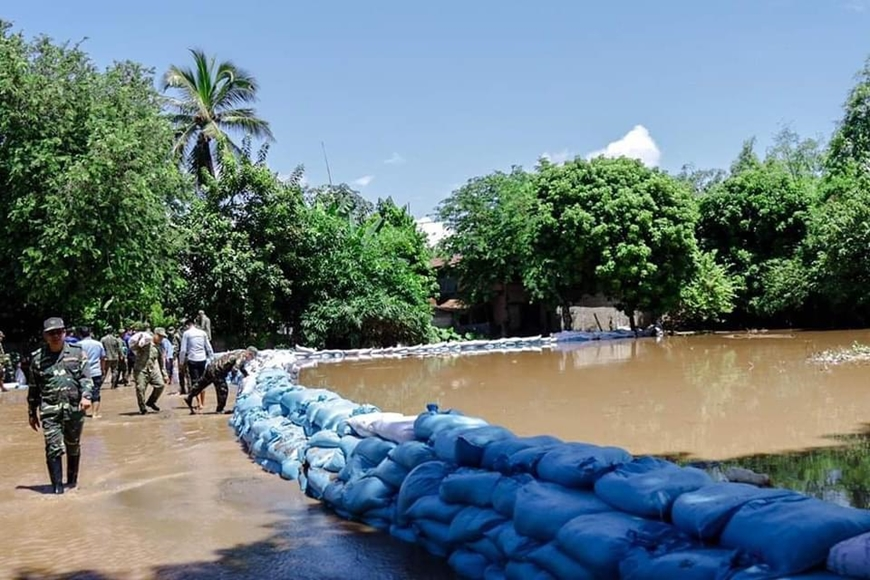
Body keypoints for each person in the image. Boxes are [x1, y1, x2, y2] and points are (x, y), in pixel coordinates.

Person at [27, 317, 93, 494]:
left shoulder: (77, 353)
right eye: (51, 333)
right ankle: (57, 489)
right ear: (45, 336)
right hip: (50, 410)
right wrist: (31, 413)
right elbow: (33, 388)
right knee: (53, 447)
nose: (55, 336)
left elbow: (86, 378)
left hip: (74, 408)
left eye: (59, 332)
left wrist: (86, 396)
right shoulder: (38, 359)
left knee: (73, 445)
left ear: (64, 333)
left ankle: (72, 483)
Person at [185, 347, 257, 415]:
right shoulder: (243, 356)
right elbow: (235, 368)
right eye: (251, 358)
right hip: (218, 371)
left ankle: (189, 397)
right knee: (223, 390)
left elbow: (240, 367)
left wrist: (246, 374)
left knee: (201, 384)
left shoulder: (239, 352)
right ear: (249, 354)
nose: (250, 360)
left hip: (211, 367)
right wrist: (233, 378)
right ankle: (220, 409)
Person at [130, 326, 169, 415]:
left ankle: (151, 402)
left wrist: (165, 374)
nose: (161, 339)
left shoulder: (159, 347)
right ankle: (142, 408)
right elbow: (134, 347)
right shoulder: (145, 342)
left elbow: (161, 361)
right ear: (155, 335)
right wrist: (139, 342)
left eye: (162, 337)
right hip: (141, 369)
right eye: (160, 336)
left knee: (160, 385)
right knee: (140, 389)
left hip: (152, 369)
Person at [179, 319, 213, 410]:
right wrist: (212, 358)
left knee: (195, 382)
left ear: (187, 325)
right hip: (202, 359)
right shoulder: (203, 333)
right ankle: (203, 403)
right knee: (203, 381)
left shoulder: (186, 334)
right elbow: (208, 347)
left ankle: (199, 403)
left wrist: (181, 362)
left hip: (192, 359)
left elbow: (183, 350)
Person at [77, 327, 106, 419]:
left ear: (80, 334)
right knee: (96, 393)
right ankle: (94, 414)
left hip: (82, 373)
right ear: (90, 333)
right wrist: (103, 369)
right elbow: (103, 358)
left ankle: (82, 413)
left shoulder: (77, 345)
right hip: (95, 372)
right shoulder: (98, 344)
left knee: (81, 392)